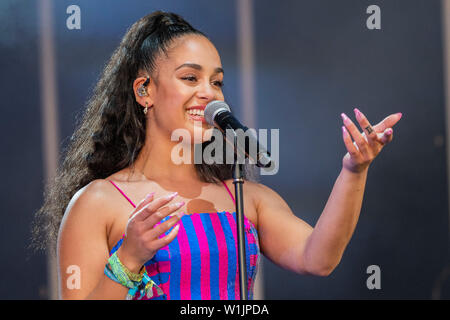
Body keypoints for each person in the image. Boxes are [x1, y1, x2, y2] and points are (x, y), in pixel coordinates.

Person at [31, 11, 402, 300]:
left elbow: (317, 258)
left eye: (217, 81)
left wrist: (354, 170)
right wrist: (128, 258)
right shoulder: (97, 202)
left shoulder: (243, 196)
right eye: (191, 78)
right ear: (145, 90)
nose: (209, 93)